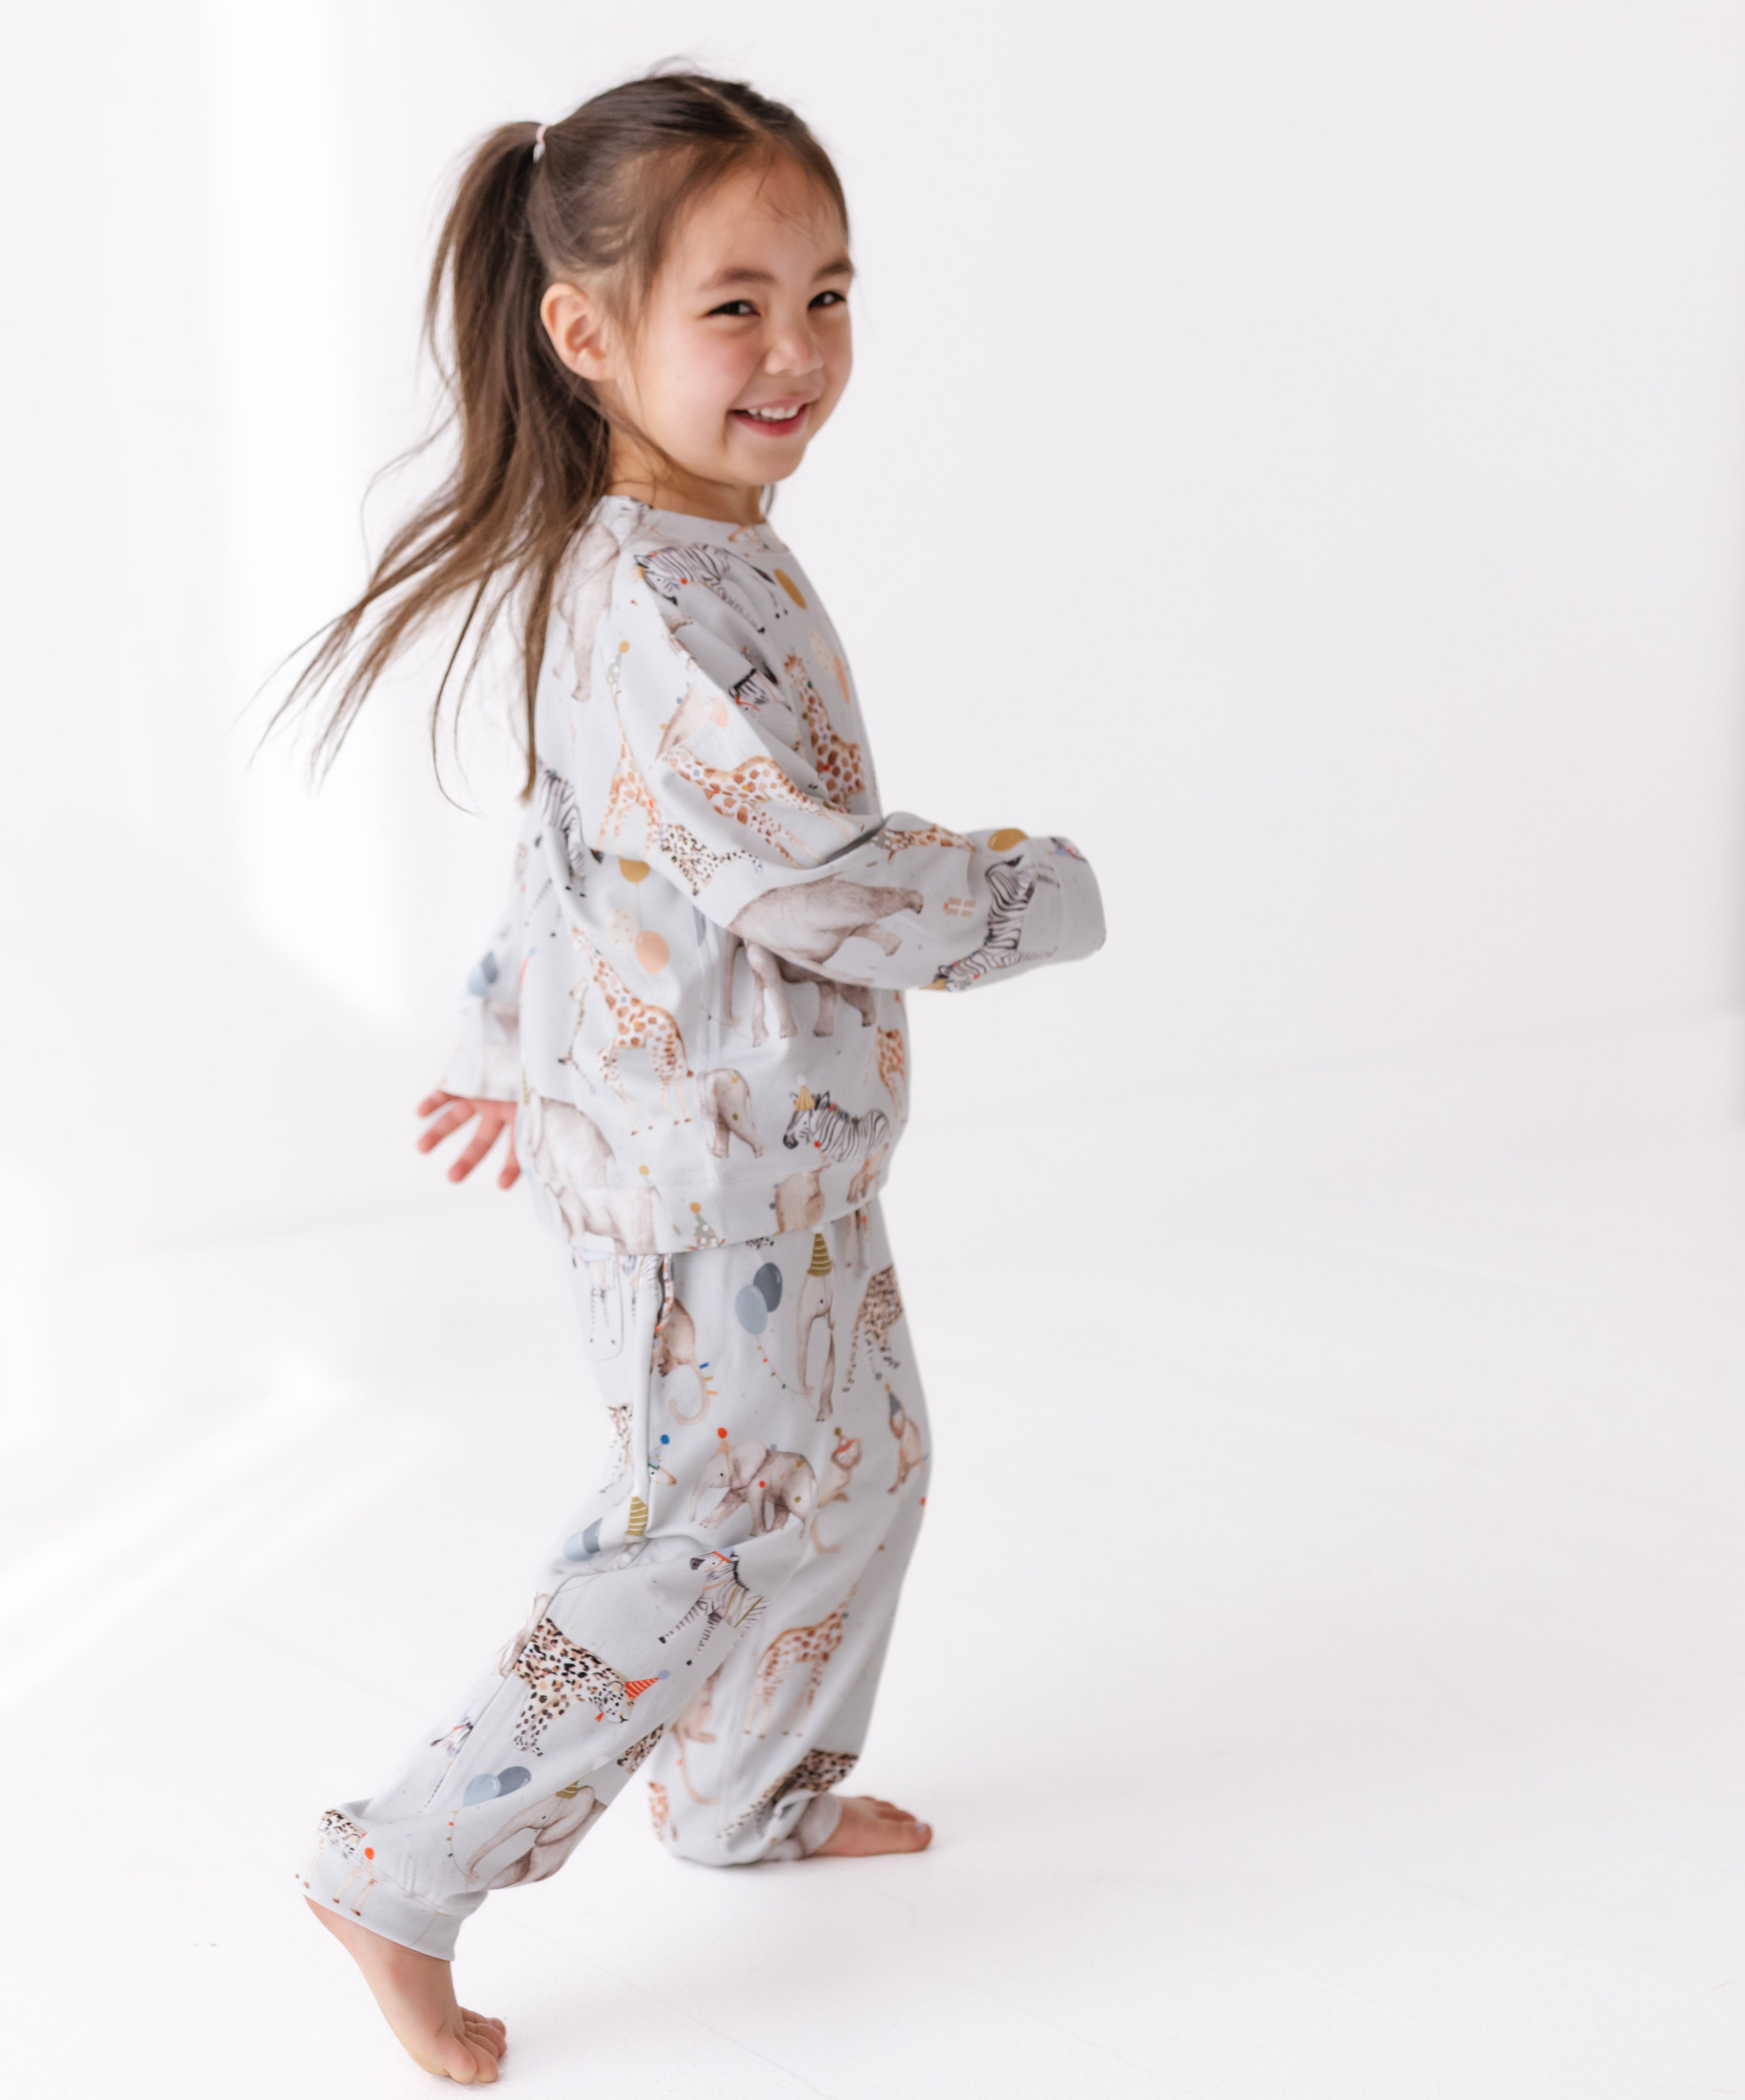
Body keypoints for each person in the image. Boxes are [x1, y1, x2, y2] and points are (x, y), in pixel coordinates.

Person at [284, 70, 1106, 2085]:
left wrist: (502, 1022)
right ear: (591, 336)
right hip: (697, 1173)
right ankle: (401, 1864)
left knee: (866, 1472)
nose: (798, 352)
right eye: (735, 305)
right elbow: (813, 888)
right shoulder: (658, 587)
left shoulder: (696, 543)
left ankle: (748, 1800)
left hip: (778, 1144)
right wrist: (1038, 894)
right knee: (697, 1531)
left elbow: (582, 841)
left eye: (829, 295)